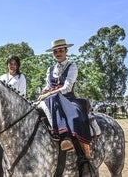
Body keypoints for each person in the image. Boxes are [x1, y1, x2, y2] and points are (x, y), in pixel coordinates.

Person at [37, 39, 92, 176]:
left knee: (76, 118)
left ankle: (82, 158)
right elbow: (48, 86)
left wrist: (49, 93)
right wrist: (45, 91)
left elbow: (67, 87)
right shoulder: (50, 69)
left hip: (68, 99)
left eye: (61, 50)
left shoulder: (72, 66)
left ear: (66, 51)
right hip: (51, 99)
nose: (58, 53)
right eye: (56, 51)